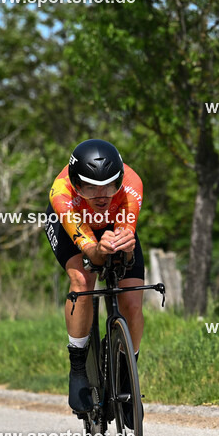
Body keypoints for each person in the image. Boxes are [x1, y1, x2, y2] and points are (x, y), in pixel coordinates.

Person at [43, 139, 144, 413]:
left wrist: (124, 245)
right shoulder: (62, 193)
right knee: (82, 281)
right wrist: (98, 250)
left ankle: (126, 373)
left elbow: (125, 235)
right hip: (73, 224)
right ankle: (77, 366)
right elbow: (91, 253)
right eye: (91, 186)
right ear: (77, 183)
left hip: (113, 223)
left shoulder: (132, 185)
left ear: (120, 179)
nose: (102, 194)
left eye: (110, 185)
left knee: (133, 302)